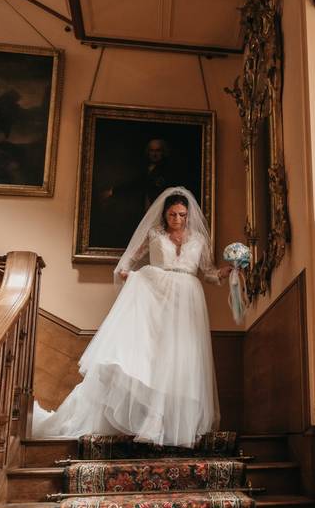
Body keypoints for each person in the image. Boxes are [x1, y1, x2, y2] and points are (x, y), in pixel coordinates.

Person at [32, 187, 231, 446]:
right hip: (157, 297)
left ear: (188, 215)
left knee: (181, 359)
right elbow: (129, 261)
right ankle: (151, 420)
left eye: (182, 215)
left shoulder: (199, 241)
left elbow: (208, 272)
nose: (178, 219)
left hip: (188, 302)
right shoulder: (155, 234)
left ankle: (171, 423)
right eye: (173, 214)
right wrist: (131, 276)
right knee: (155, 357)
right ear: (165, 214)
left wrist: (225, 272)